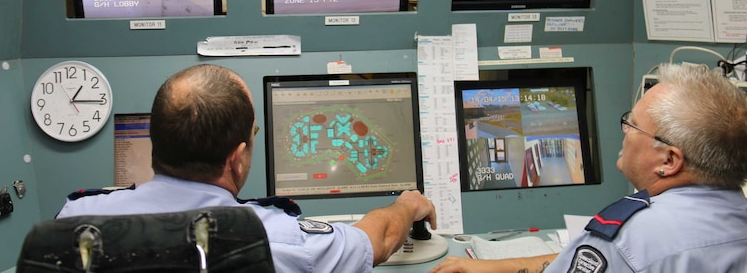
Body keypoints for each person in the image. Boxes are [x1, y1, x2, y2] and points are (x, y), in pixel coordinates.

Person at [57, 63, 437, 272]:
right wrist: (406, 206)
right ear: (236, 160)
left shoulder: (74, 219)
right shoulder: (277, 240)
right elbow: (379, 242)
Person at [429, 63, 747, 273]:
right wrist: (494, 267)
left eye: (633, 125)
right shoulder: (735, 218)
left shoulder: (628, 237)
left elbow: (613, 255)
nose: (624, 132)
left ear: (669, 161)